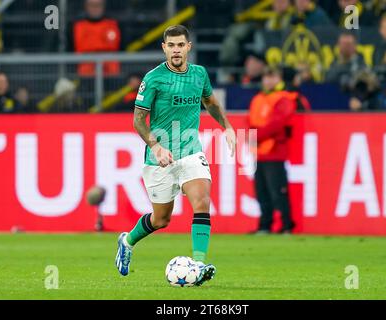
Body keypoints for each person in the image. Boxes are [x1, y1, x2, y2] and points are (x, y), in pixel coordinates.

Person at [115, 25, 236, 286]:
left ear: (188, 47)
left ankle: (199, 264)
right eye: (171, 45)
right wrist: (156, 146)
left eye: (181, 45)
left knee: (202, 201)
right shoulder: (154, 78)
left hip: (190, 152)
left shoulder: (199, 74)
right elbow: (138, 120)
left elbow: (211, 103)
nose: (176, 50)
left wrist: (227, 127)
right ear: (164, 48)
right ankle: (127, 241)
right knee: (161, 219)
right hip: (159, 158)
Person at [248, 67, 301, 235]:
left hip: (275, 152)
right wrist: (253, 134)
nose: (269, 81)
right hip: (259, 152)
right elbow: (250, 121)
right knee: (262, 191)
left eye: (273, 77)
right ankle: (265, 225)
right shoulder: (258, 99)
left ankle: (286, 225)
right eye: (267, 76)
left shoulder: (284, 98)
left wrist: (256, 134)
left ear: (280, 79)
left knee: (277, 191)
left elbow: (277, 124)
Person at [72, 0, 121, 77]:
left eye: (98, 5)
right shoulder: (76, 26)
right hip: (85, 75)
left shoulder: (114, 24)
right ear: (86, 6)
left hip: (111, 75)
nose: (95, 8)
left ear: (104, 6)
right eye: (91, 5)